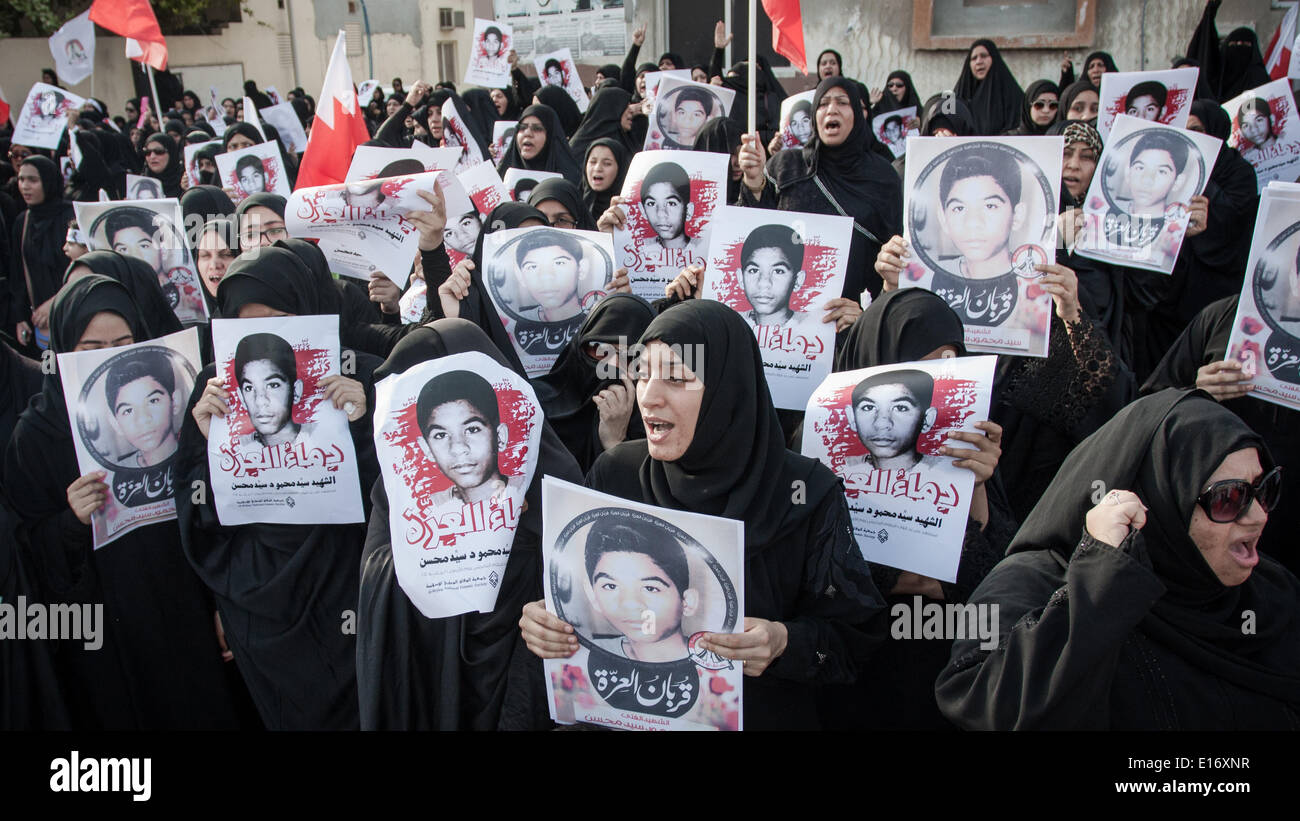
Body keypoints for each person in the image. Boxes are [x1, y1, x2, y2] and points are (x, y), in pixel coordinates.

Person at [519, 300, 888, 730]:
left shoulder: (804, 494)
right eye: (644, 373)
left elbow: (852, 643)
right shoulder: (616, 474)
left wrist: (785, 643)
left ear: (726, 390)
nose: (650, 395)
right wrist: (544, 624)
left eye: (676, 378)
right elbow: (573, 607)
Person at [935, 389, 1300, 729]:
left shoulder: (1271, 595)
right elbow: (986, 707)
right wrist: (1099, 580)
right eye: (1229, 498)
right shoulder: (1033, 582)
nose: (1258, 516)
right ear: (1157, 500)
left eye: (1265, 487)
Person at [4, 274, 249, 730]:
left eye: (124, 341)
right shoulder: (37, 436)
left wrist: (225, 604)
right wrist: (69, 523)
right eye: (90, 347)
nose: (108, 354)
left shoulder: (185, 410)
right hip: (107, 636)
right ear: (63, 351)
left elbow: (223, 514)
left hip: (186, 607)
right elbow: (26, 554)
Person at [178, 242, 378, 731]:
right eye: (246, 322)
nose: (263, 332)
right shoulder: (213, 395)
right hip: (260, 605)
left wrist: (366, 421)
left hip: (349, 589)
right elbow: (198, 514)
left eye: (279, 316)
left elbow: (401, 497)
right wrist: (210, 447)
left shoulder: (361, 376)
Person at [356, 318, 583, 730]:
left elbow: (583, 593)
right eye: (438, 435)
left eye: (473, 428)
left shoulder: (552, 483)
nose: (458, 449)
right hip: (434, 685)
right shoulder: (392, 494)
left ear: (500, 430)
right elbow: (376, 584)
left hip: (521, 688)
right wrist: (428, 544)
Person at [738, 77, 902, 303]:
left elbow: (893, 261)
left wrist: (865, 316)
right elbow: (749, 233)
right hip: (784, 320)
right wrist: (754, 181)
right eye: (823, 104)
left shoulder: (883, 177)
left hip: (852, 321)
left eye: (842, 103)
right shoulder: (786, 166)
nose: (832, 109)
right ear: (815, 114)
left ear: (857, 112)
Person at [533, 292, 653, 473]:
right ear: (580, 345)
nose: (612, 365)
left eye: (630, 356)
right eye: (600, 349)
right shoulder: (533, 404)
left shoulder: (656, 421)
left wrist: (616, 442)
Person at [583, 516, 700, 663]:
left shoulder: (717, 664)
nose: (629, 603)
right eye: (611, 586)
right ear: (593, 596)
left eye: (650, 588)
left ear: (687, 602)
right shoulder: (587, 654)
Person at [416, 368, 527, 509]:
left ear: (500, 437)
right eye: (441, 435)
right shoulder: (427, 510)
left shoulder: (529, 490)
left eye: (472, 430)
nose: (458, 448)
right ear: (427, 449)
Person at [7, 156, 73, 352]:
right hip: (40, 325)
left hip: (71, 316)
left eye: (33, 180)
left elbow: (86, 267)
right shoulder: (23, 221)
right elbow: (17, 273)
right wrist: (20, 318)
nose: (25, 186)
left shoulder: (70, 217)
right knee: (47, 373)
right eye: (21, 179)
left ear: (49, 182)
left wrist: (55, 302)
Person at [844, 369, 945, 473]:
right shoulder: (841, 467)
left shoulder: (945, 470)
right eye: (868, 407)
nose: (881, 424)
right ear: (852, 417)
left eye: (901, 408)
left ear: (927, 419)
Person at [104, 349, 180, 468]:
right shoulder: (108, 477)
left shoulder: (202, 455)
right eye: (128, 411)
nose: (143, 419)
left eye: (153, 401)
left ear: (175, 401)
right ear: (115, 423)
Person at [233, 332, 305, 449]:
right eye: (249, 388)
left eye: (273, 385)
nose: (260, 401)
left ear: (296, 391)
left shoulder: (324, 437)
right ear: (241, 397)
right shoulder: (235, 447)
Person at [738, 223, 809, 328]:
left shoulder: (816, 323)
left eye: (778, 271)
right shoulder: (726, 321)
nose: (764, 283)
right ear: (740, 277)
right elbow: (704, 344)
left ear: (798, 280)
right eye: (753, 270)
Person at [511, 229, 586, 323]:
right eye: (532, 267)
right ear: (520, 276)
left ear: (582, 269)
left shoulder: (600, 316)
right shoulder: (513, 323)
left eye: (559, 263)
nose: (546, 277)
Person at [496, 104, 583, 185]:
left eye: (537, 129)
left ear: (550, 136)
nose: (527, 133)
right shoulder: (500, 177)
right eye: (522, 128)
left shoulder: (572, 180)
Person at [953, 39, 1024, 136]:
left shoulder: (1011, 95)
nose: (979, 61)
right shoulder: (960, 95)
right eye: (974, 58)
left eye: (983, 56)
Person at [638, 161, 705, 256]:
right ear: (643, 210)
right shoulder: (638, 249)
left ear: (689, 210)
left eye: (671, 203)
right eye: (651, 203)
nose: (661, 214)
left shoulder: (705, 248)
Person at [140, 133, 184, 197]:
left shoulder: (185, 182)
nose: (152, 156)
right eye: (148, 152)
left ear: (171, 154)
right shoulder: (141, 183)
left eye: (159, 151)